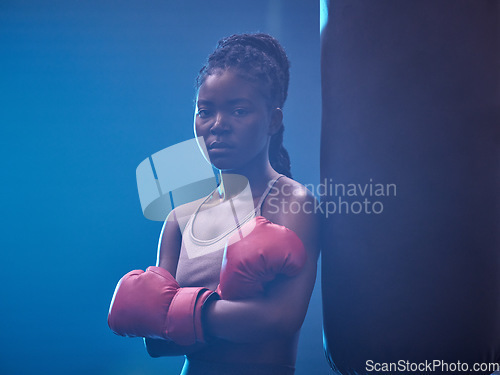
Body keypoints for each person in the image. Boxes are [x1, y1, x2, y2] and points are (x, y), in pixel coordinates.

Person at [108, 33, 320, 375]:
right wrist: (227, 318)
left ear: (273, 120)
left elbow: (280, 319)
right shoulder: (180, 218)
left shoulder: (292, 203)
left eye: (239, 110)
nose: (218, 126)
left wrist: (178, 315)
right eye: (205, 111)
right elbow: (157, 344)